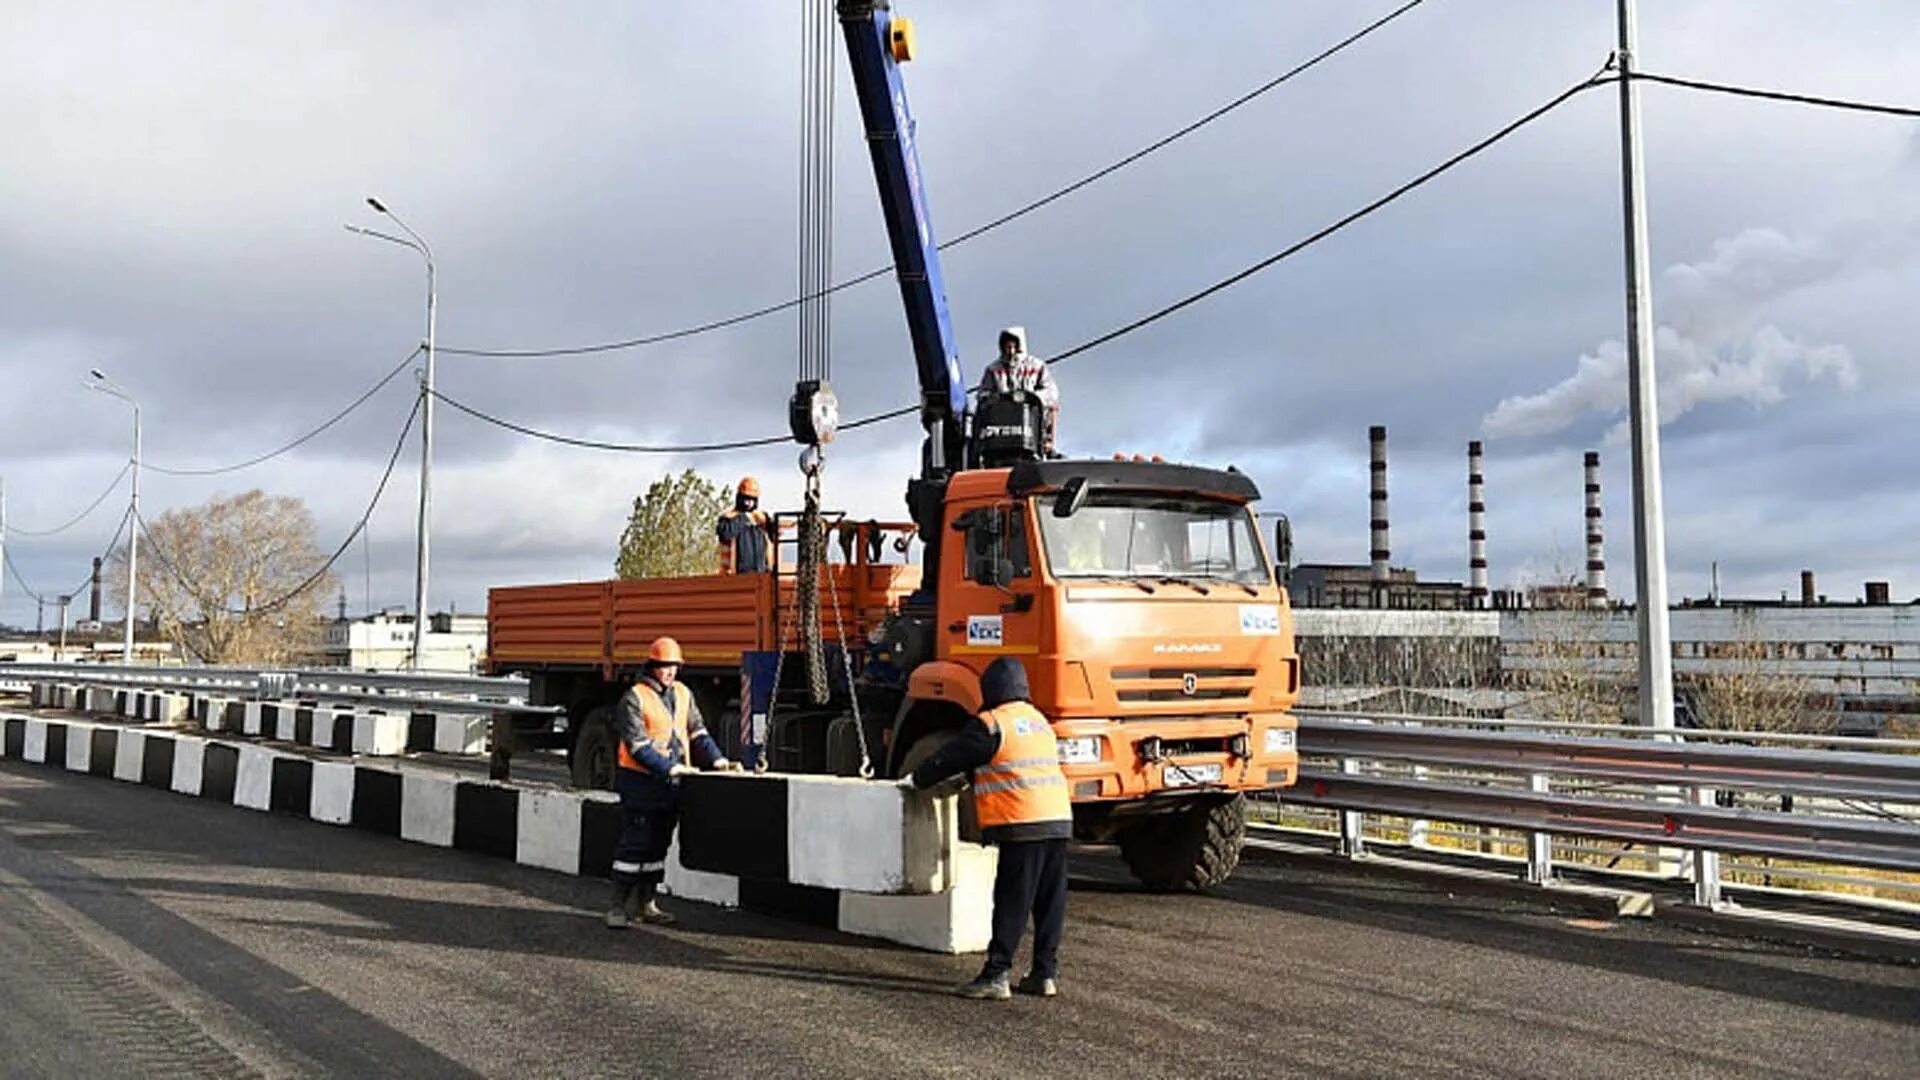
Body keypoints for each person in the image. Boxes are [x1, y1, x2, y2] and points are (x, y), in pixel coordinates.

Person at [898, 656, 1071, 1000]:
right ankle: (1044, 973)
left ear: (991, 689)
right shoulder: (1038, 722)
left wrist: (916, 779)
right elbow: (1008, 766)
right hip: (1058, 821)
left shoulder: (991, 724)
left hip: (1022, 823)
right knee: (1050, 901)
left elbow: (952, 757)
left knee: (1012, 899)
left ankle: (996, 974)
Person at [606, 636, 740, 929]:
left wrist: (717, 760)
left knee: (658, 846)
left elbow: (697, 732)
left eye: (674, 666)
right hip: (641, 784)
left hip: (672, 785)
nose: (670, 672)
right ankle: (617, 906)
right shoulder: (635, 698)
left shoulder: (682, 694)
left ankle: (647, 904)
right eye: (665, 666)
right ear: (653, 666)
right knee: (634, 846)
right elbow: (638, 747)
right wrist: (672, 768)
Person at [977, 326, 1060, 453]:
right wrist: (997, 399)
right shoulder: (993, 369)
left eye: (1013, 346)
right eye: (1007, 346)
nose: (1010, 350)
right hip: (1000, 426)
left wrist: (1031, 397)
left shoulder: (1037, 366)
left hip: (1032, 426)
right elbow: (982, 395)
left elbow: (1051, 393)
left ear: (1019, 346)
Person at [717, 476, 775, 574]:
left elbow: (774, 536)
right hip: (735, 576)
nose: (748, 504)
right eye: (746, 500)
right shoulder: (729, 518)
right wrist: (745, 517)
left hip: (762, 574)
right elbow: (725, 534)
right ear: (739, 498)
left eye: (752, 500)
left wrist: (769, 524)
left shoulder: (762, 518)